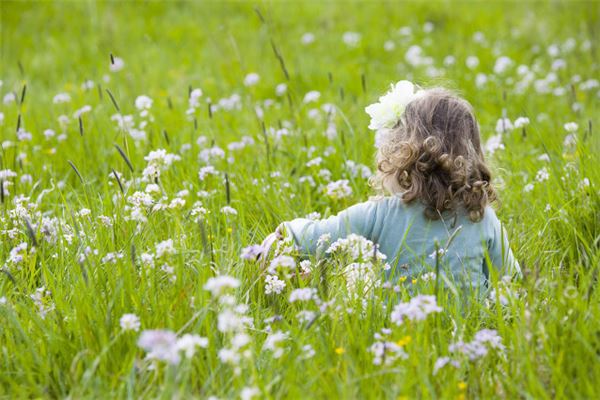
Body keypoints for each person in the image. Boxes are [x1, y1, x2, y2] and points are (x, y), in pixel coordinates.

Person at [262, 81, 521, 288]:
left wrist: (286, 231)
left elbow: (313, 239)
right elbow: (511, 282)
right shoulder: (482, 219)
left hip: (396, 334)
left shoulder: (379, 215)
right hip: (467, 337)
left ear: (400, 153)